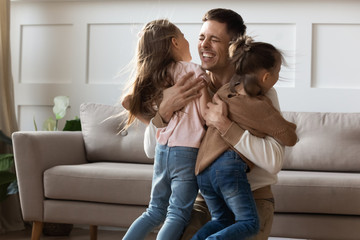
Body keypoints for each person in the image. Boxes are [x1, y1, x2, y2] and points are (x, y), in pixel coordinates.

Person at [144, 8, 287, 240]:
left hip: (252, 199)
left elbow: (274, 161)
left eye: (214, 39)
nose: (204, 45)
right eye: (201, 37)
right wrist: (164, 111)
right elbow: (151, 150)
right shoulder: (186, 82)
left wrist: (225, 125)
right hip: (203, 200)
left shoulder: (258, 92)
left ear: (234, 47)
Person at [191, 36, 298, 240]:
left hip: (202, 172)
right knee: (249, 223)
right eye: (278, 73)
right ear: (266, 77)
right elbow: (289, 137)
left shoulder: (223, 92)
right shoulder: (259, 105)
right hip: (228, 170)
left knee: (220, 221)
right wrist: (286, 125)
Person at [121, 19, 211, 240]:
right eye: (183, 36)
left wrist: (155, 116)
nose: (189, 41)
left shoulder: (156, 77)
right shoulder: (194, 72)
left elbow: (127, 101)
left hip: (163, 150)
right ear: (175, 42)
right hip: (187, 153)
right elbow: (208, 114)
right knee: (177, 214)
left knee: (154, 211)